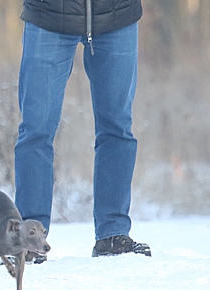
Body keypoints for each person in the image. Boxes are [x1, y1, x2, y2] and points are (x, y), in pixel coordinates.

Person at [15, 0, 151, 259]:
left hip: (117, 14)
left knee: (118, 127)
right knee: (36, 129)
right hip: (48, 14)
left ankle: (112, 234)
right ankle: (28, 239)